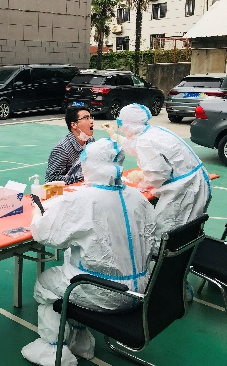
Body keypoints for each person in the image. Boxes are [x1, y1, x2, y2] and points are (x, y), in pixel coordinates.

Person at [22, 139, 156, 366]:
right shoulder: (138, 198)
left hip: (105, 294)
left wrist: (37, 213)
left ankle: (53, 349)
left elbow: (45, 234)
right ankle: (80, 341)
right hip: (142, 290)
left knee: (46, 283)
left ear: (89, 165)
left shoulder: (83, 200)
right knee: (78, 273)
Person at [104, 103, 212, 243]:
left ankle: (169, 256)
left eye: (120, 123)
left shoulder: (146, 140)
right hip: (194, 181)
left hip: (184, 191)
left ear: (129, 124)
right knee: (189, 231)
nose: (121, 127)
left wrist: (141, 177)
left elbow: (157, 176)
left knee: (168, 234)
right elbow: (133, 146)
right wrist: (113, 134)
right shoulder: (152, 131)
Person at [45, 108, 95, 184]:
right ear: (74, 125)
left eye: (90, 117)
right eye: (86, 118)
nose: (91, 121)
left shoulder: (90, 140)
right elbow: (51, 179)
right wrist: (82, 176)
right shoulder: (62, 149)